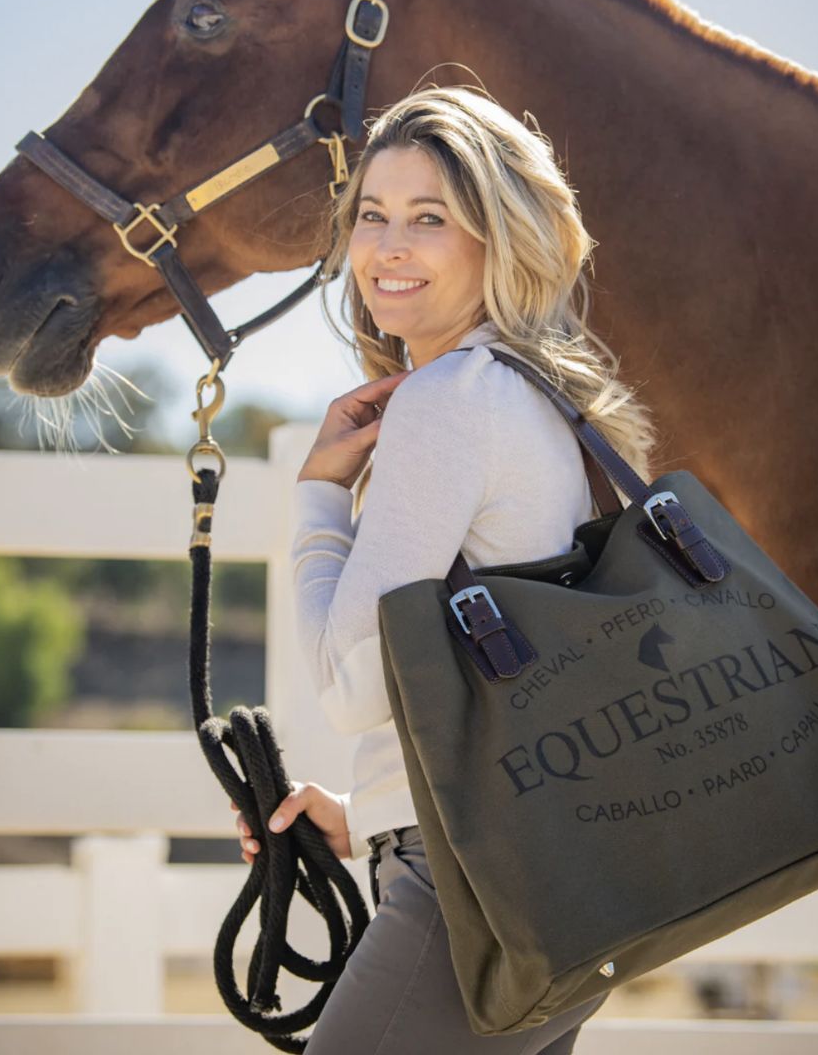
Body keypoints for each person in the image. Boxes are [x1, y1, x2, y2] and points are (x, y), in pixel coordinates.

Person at [229, 84, 660, 1053]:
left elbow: (351, 687)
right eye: (373, 215)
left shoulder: (451, 400)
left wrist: (317, 500)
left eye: (430, 219)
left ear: (495, 239)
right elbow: (500, 668)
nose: (388, 247)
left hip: (472, 882)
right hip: (545, 870)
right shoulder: (538, 394)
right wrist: (374, 812)